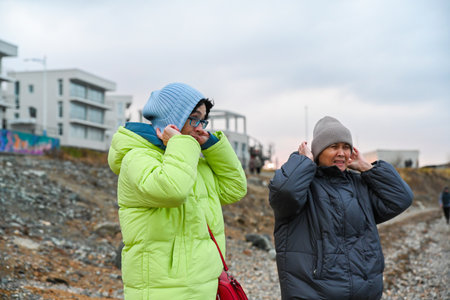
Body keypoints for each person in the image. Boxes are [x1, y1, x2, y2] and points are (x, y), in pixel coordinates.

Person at [108, 82, 247, 299]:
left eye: (203, 120)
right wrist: (182, 144)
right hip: (162, 290)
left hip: (203, 287)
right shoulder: (137, 158)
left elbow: (235, 188)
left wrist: (212, 146)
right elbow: (171, 190)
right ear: (171, 120)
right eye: (193, 118)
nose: (200, 126)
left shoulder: (191, 163)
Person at [269, 116, 413, 300]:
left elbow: (401, 198)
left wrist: (367, 167)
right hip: (313, 292)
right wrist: (303, 161)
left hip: (364, 292)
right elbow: (284, 193)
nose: (341, 153)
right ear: (317, 151)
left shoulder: (360, 185)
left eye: (346, 147)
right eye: (333, 146)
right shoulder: (303, 187)